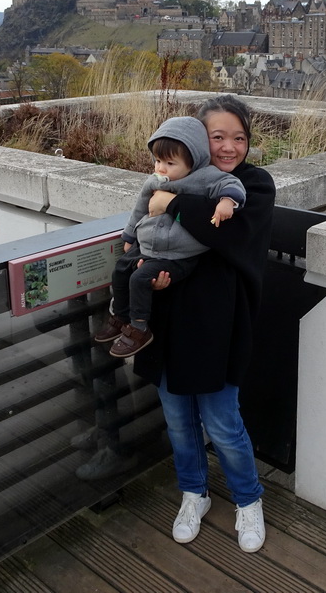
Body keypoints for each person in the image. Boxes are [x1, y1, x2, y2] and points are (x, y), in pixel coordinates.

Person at [133, 95, 275, 554]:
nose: (230, 147)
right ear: (197, 140)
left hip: (221, 323)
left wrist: (170, 202)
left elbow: (227, 234)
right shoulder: (172, 172)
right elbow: (145, 231)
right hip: (170, 315)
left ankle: (249, 499)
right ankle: (193, 493)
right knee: (178, 419)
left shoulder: (253, 185)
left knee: (222, 421)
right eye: (218, 137)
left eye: (239, 137)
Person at [92, 116, 246, 359]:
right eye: (157, 161)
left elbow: (231, 184)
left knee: (140, 279)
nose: (160, 168)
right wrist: (130, 234)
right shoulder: (154, 180)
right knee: (121, 270)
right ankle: (120, 315)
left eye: (169, 163)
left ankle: (139, 327)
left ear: (192, 161)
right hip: (149, 243)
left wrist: (227, 202)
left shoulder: (205, 177)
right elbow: (140, 208)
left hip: (178, 253)